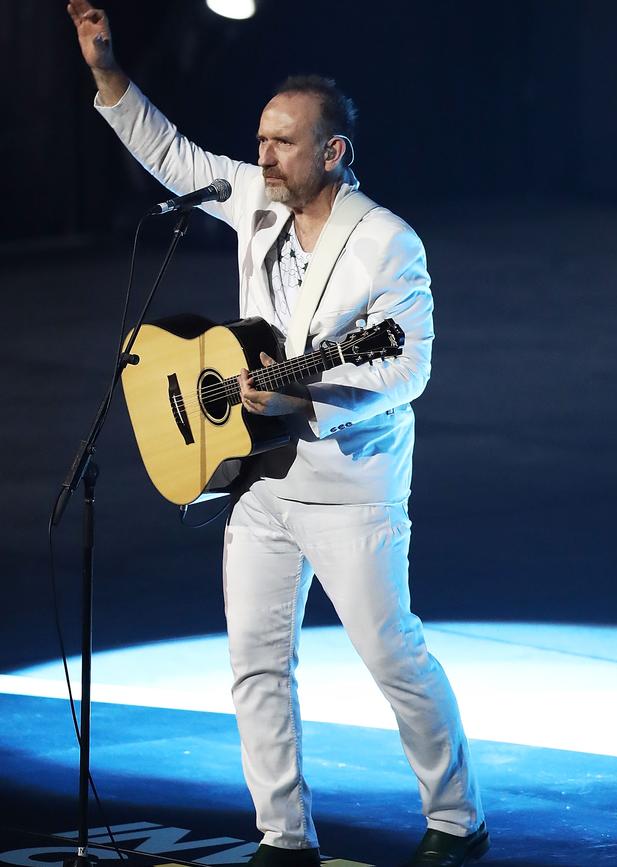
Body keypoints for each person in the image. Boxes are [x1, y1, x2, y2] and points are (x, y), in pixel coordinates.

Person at [67, 2, 488, 864]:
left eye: (282, 143)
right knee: (256, 663)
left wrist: (304, 397)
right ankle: (282, 834)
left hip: (348, 488)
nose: (262, 156)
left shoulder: (388, 247)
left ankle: (456, 819)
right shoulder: (253, 201)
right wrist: (107, 69)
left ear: (333, 153)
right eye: (260, 138)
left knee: (392, 654)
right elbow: (173, 154)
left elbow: (406, 370)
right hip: (255, 477)